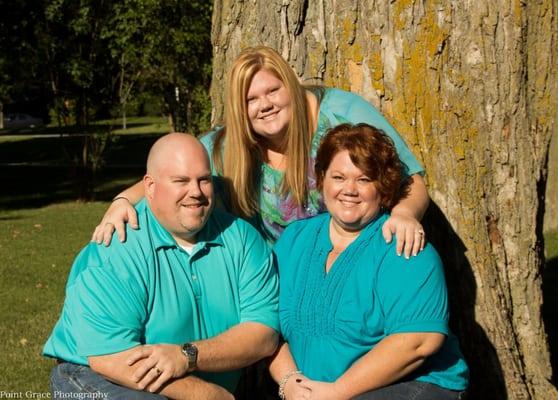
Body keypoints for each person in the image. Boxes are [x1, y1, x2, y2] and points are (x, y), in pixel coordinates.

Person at [92, 46, 429, 258]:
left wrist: (405, 214)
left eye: (273, 91)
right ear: (239, 109)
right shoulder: (227, 147)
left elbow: (410, 177)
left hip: (364, 260)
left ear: (290, 87)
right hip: (287, 282)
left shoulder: (341, 114)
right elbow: (172, 175)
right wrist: (122, 201)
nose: (265, 105)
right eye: (251, 99)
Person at [43, 133, 279, 399]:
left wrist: (187, 356)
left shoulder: (243, 240)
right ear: (150, 187)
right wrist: (209, 395)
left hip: (199, 373)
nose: (196, 192)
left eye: (204, 180)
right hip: (96, 374)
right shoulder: (117, 247)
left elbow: (263, 333)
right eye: (181, 181)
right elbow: (110, 357)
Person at [269, 123, 468, 399]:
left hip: (409, 386)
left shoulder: (402, 245)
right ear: (322, 178)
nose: (349, 189)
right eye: (338, 177)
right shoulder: (294, 241)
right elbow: (265, 324)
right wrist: (290, 381)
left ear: (383, 186)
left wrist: (338, 392)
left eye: (364, 180)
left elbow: (419, 341)